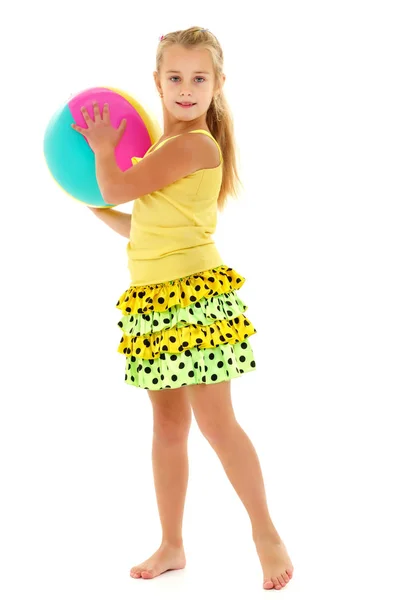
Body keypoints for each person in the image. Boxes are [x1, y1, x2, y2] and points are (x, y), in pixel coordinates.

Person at [72, 25, 294, 592]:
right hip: (152, 303)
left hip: (193, 300)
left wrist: (100, 150)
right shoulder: (164, 151)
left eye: (200, 78)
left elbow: (120, 186)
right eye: (175, 77)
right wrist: (85, 199)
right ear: (157, 82)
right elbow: (139, 225)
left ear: (219, 85)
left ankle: (265, 532)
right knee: (168, 426)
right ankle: (172, 543)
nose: (187, 88)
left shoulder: (195, 144)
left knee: (218, 424)